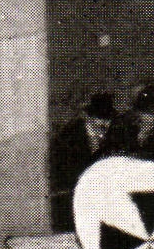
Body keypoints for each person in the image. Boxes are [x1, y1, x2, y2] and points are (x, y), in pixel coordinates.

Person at [49, 93, 123, 230]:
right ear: (88, 117)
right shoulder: (68, 138)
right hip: (70, 205)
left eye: (108, 120)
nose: (105, 125)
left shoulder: (112, 137)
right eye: (100, 119)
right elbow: (62, 175)